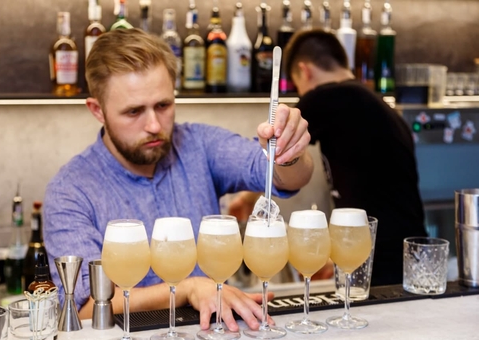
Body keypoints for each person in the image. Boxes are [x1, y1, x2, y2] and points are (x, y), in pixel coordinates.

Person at [43, 28, 314, 332]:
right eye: (133, 111)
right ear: (98, 111)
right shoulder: (71, 190)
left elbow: (285, 178)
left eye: (163, 105)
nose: (154, 125)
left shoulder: (199, 144)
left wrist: (289, 152)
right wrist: (188, 288)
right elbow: (85, 308)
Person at [231, 29, 427, 286]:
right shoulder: (377, 105)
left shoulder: (330, 96)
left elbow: (280, 140)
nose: (304, 96)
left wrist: (246, 198)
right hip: (411, 250)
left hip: (381, 256)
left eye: (299, 85)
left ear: (306, 70)